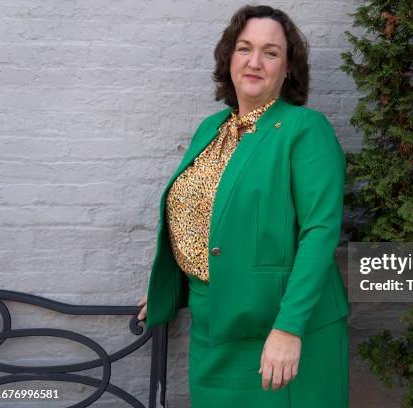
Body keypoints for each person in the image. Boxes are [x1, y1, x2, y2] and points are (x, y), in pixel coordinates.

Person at [137, 5, 349, 407]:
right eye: (244, 48)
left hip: (280, 331)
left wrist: (289, 328)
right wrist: (169, 289)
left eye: (270, 52)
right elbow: (205, 218)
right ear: (228, 58)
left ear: (288, 68)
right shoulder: (211, 128)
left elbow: (320, 232)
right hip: (213, 324)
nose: (255, 61)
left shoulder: (306, 130)